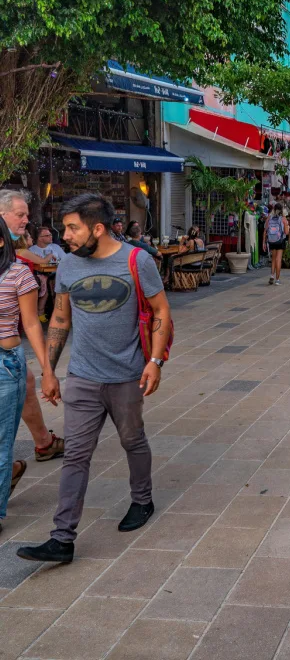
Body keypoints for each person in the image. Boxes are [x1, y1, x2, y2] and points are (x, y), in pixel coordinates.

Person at [17, 193, 172, 564]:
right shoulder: (68, 265)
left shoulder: (137, 260)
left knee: (132, 440)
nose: (64, 234)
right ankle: (62, 538)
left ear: (97, 228)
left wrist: (154, 362)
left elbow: (161, 309)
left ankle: (142, 500)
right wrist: (50, 371)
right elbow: (59, 318)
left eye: (73, 228)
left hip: (127, 375)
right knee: (75, 458)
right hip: (83, 376)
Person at [0, 217, 59, 533]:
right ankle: (8, 474)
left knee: (0, 441)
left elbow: (33, 324)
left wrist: (48, 370)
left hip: (5, 364)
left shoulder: (17, 273)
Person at [0, 191, 64, 463]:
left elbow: (30, 323)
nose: (27, 219)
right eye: (20, 214)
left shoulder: (15, 248)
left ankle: (43, 443)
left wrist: (46, 370)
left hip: (10, 347)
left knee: (24, 382)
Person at [265, 204, 289, 285]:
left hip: (271, 240)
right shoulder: (283, 218)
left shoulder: (270, 217)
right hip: (280, 241)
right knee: (278, 259)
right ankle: (277, 279)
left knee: (273, 259)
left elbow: (265, 230)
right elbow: (286, 232)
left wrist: (263, 242)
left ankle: (272, 275)